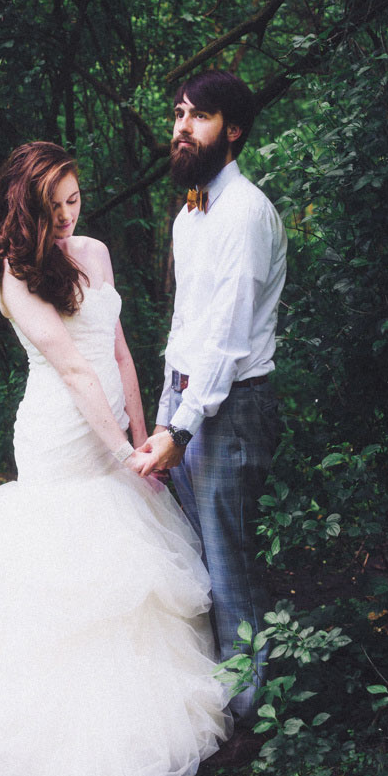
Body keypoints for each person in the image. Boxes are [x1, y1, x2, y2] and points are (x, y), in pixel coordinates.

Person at [0, 141, 230, 776]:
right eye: (52, 206)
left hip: (117, 430)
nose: (66, 216)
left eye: (74, 201)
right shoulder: (15, 279)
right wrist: (120, 452)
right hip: (60, 436)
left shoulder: (98, 252)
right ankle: (57, 725)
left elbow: (115, 354)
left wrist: (149, 439)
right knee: (69, 560)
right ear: (25, 208)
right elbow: (75, 369)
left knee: (134, 550)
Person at [139, 70, 287, 730]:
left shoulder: (247, 213)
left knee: (227, 564)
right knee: (191, 556)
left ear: (232, 130)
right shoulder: (192, 211)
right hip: (188, 399)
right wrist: (166, 406)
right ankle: (208, 702)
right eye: (177, 114)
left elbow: (227, 339)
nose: (180, 128)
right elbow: (188, 327)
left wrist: (184, 426)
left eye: (197, 117)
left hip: (229, 409)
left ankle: (251, 717)